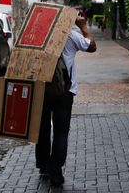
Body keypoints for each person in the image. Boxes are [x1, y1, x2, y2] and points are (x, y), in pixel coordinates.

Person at [35, 16, 97, 186]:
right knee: (61, 131)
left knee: (42, 128)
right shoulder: (69, 35)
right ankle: (56, 172)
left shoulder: (38, 34)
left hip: (41, 88)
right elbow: (92, 46)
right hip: (64, 91)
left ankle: (43, 165)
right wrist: (83, 26)